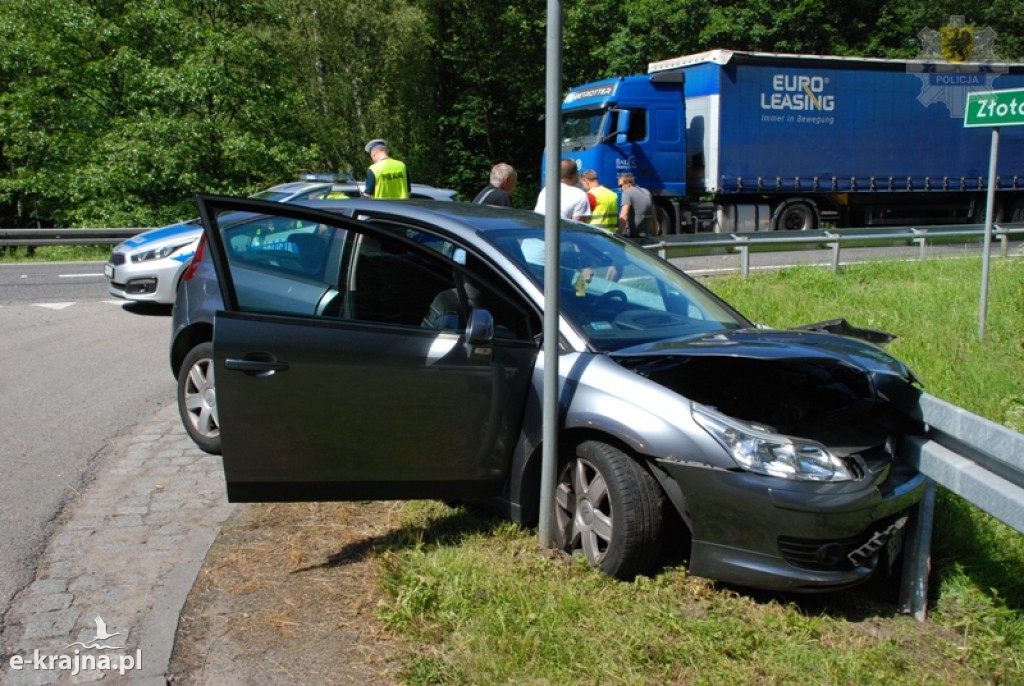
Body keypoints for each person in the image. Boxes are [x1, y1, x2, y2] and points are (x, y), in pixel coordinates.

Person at [617, 173, 658, 238]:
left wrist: (618, 234)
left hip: (631, 236)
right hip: (646, 235)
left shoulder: (627, 192)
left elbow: (624, 214)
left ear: (628, 183)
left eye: (620, 186)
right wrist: (655, 233)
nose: (620, 189)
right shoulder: (647, 192)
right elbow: (654, 214)